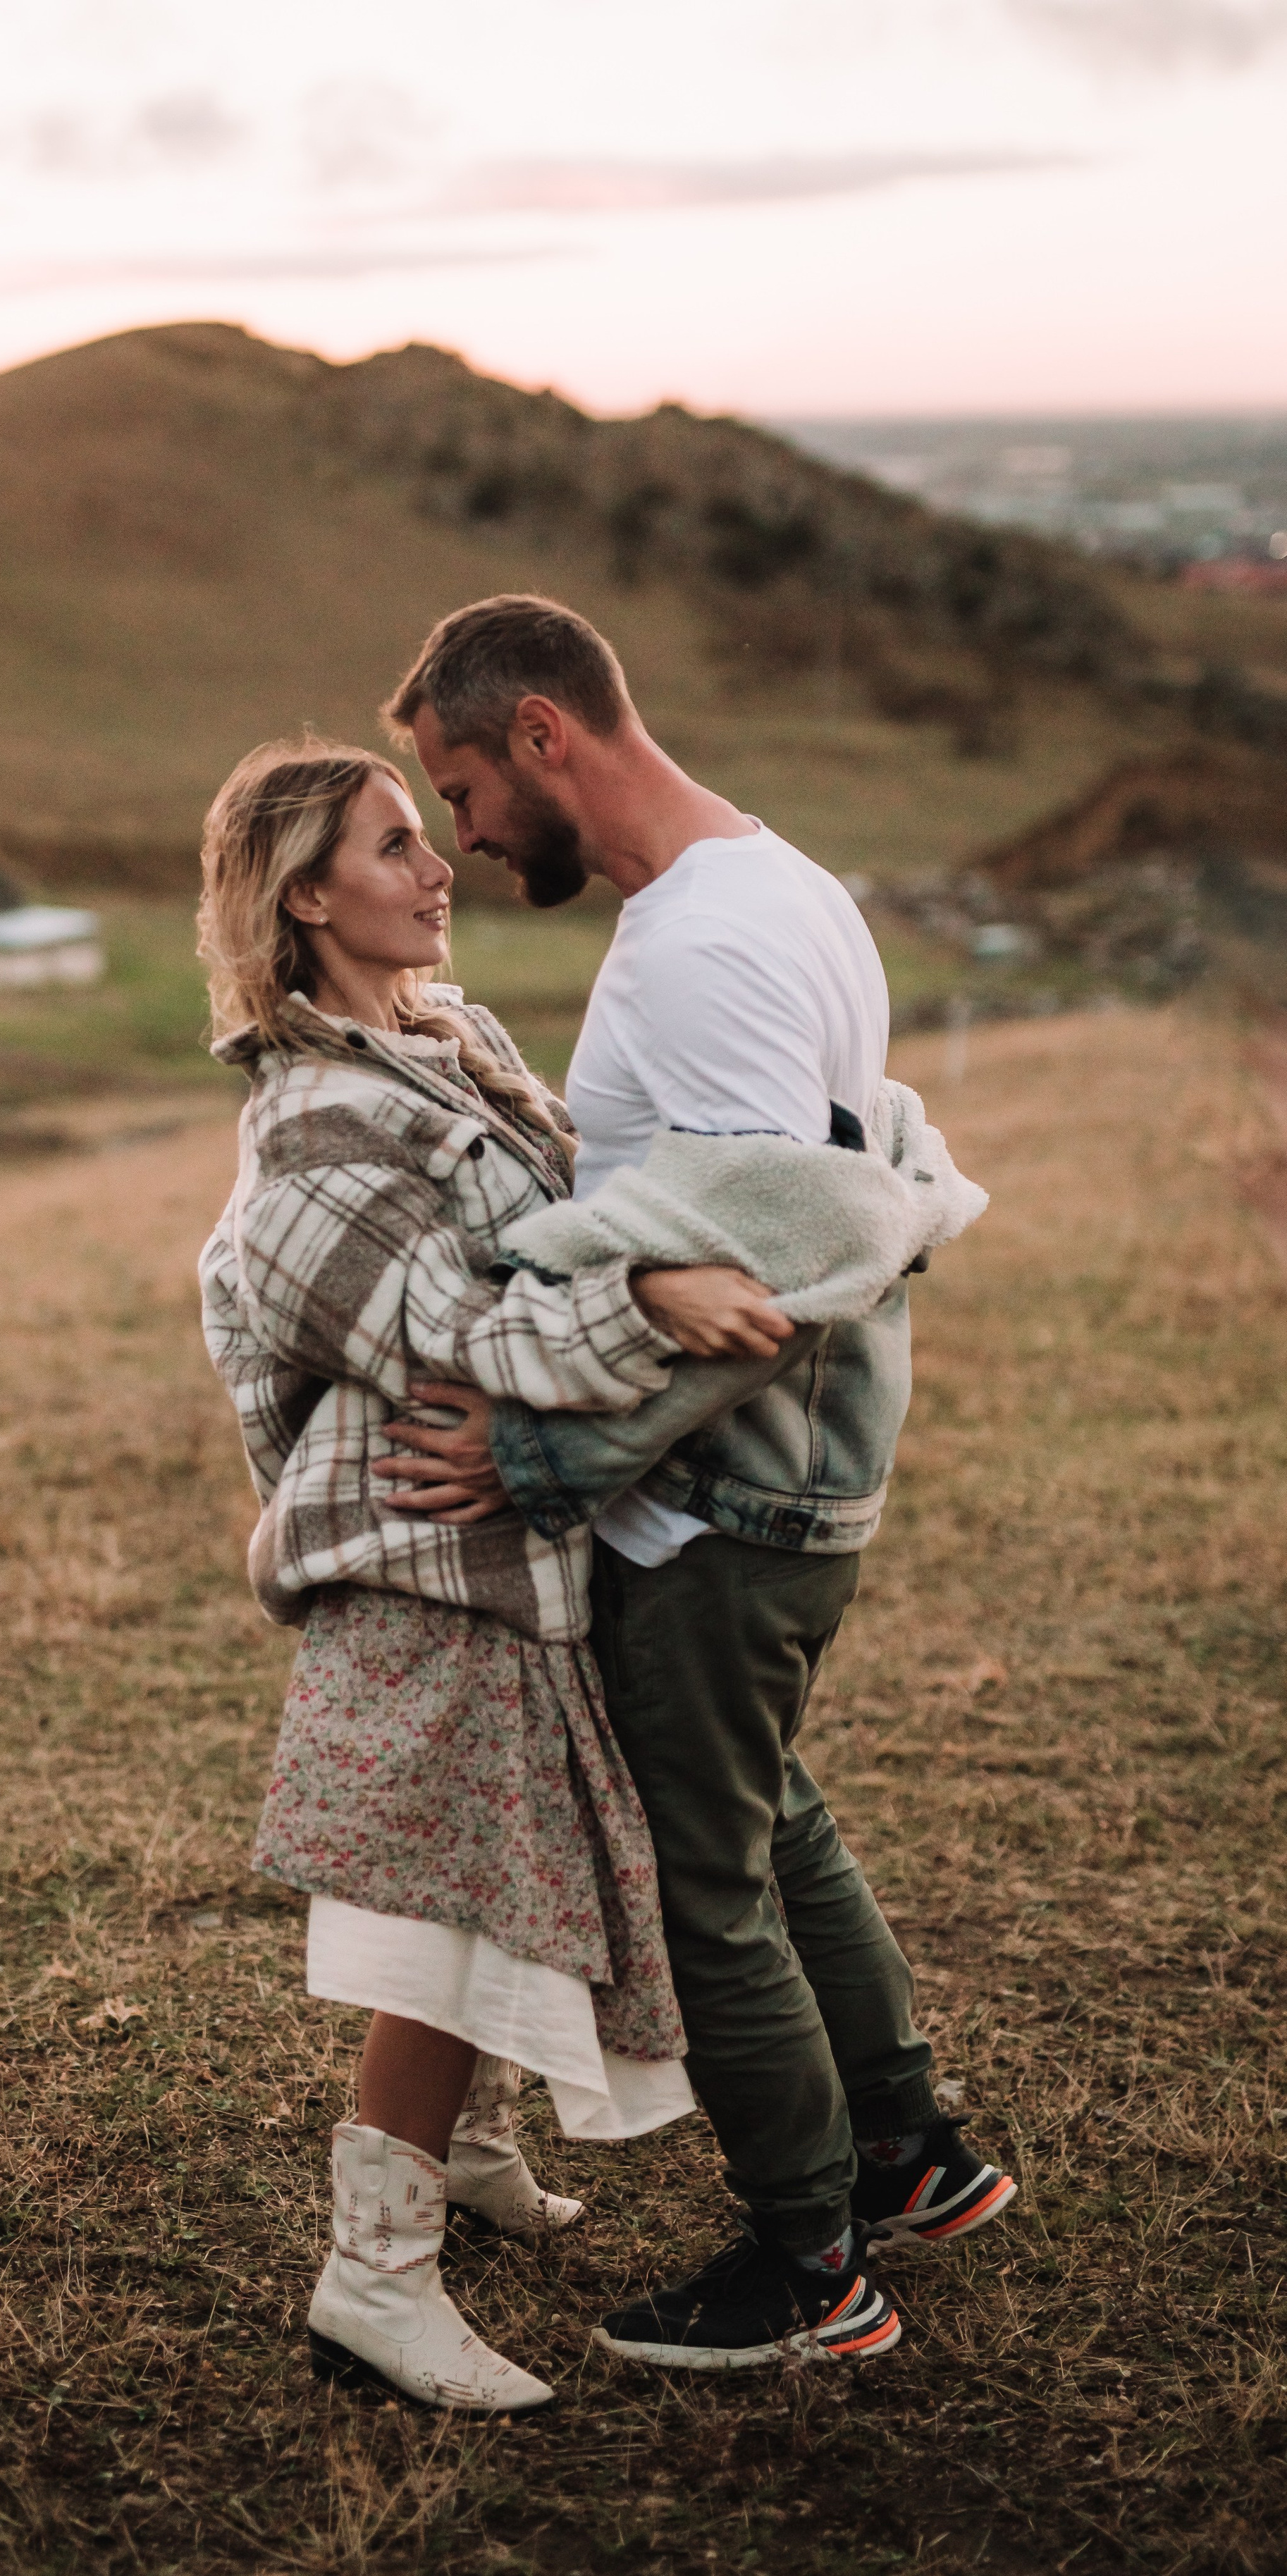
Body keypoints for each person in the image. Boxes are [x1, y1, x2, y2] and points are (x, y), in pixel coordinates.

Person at [375, 595, 1017, 2374]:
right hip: (782, 1491)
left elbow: (769, 1286)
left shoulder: (696, 951)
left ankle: (808, 2268)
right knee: (767, 1811)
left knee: (697, 1878)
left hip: (727, 1504)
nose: (463, 837)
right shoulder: (777, 883)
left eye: (463, 789)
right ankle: (909, 2149)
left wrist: (533, 1454)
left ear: (541, 738)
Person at [196, 739, 848, 2412]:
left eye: (429, 836)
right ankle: (372, 2274)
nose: (437, 868)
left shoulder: (448, 1035)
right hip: (423, 1553)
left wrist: (655, 1255)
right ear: (302, 899)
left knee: (501, 1854)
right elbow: (474, 1331)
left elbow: (563, 1210)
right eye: (394, 847)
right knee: (444, 1906)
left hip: (504, 1542)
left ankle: (469, 2153)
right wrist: (656, 1306)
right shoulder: (310, 1119)